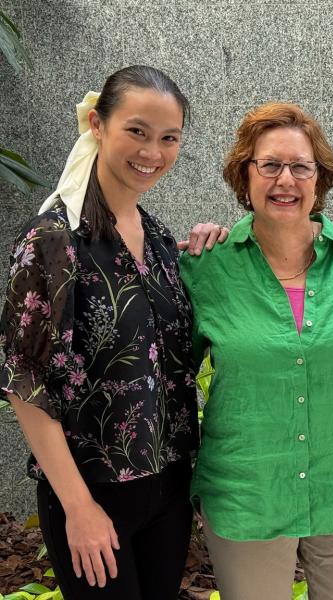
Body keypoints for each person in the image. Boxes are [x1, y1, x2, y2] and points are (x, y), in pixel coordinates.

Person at [0, 65, 226, 600]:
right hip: (92, 494)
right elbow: (24, 381)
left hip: (168, 488)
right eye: (137, 131)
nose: (153, 151)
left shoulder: (163, 241)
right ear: (98, 126)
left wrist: (212, 249)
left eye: (169, 138)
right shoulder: (54, 241)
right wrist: (79, 508)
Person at [179, 101, 333, 600]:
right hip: (248, 494)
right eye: (269, 165)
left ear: (320, 178)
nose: (285, 179)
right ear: (244, 176)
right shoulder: (208, 265)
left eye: (300, 167)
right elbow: (170, 375)